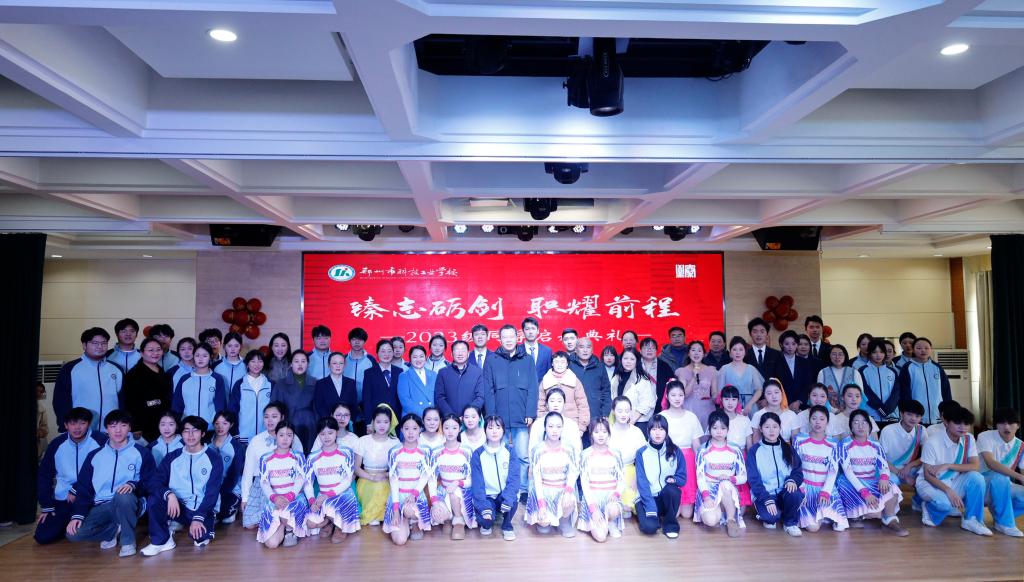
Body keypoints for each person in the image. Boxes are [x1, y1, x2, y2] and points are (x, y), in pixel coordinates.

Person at [65, 410, 154, 557]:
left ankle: (128, 541)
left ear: (129, 428)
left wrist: (134, 485)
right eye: (113, 426)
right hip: (102, 506)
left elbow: (151, 481)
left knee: (123, 496)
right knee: (73, 534)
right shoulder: (94, 456)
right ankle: (112, 531)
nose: (118, 430)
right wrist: (77, 515)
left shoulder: (142, 453)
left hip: (130, 503)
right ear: (106, 429)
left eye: (123, 425)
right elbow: (84, 488)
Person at [140, 415, 224, 556]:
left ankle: (199, 523)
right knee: (154, 499)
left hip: (202, 508)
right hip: (177, 506)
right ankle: (162, 541)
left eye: (195, 430)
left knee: (200, 539)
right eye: (186, 431)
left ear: (203, 433)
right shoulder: (172, 457)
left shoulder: (213, 458)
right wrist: (169, 494)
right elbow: (154, 481)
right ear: (181, 433)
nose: (190, 435)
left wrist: (199, 516)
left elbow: (212, 492)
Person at [481, 324, 538, 501]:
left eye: (511, 336)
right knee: (500, 455)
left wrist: (530, 413)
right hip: (499, 419)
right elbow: (488, 389)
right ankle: (502, 490)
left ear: (517, 337)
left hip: (521, 416)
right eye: (504, 337)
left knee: (522, 456)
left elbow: (533, 388)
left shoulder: (527, 359)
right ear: (499, 339)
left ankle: (523, 489)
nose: (508, 340)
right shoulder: (492, 360)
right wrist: (491, 417)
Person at [916, 405, 992, 536]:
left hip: (954, 480)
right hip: (930, 483)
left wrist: (948, 465)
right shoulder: (932, 442)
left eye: (966, 424)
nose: (962, 427)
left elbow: (975, 466)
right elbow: (928, 476)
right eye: (957, 423)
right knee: (944, 505)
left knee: (977, 477)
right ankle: (928, 507)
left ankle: (971, 520)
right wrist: (948, 490)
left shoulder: (968, 438)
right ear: (946, 422)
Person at [34, 407, 105, 545]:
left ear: (89, 424)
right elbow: (44, 475)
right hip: (64, 499)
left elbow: (103, 471)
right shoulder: (57, 444)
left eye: (82, 423)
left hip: (91, 499)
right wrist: (47, 505)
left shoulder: (100, 441)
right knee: (42, 537)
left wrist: (77, 488)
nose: (77, 428)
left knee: (78, 533)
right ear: (66, 425)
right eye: (72, 423)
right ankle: (67, 522)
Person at [835, 410, 909, 536]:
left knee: (892, 487)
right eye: (856, 422)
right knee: (873, 513)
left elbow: (883, 465)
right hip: (850, 482)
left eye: (864, 422)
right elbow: (848, 472)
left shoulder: (875, 444)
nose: (860, 426)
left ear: (869, 426)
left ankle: (890, 519)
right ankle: (856, 516)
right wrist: (865, 493)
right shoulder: (844, 444)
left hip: (870, 480)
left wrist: (884, 478)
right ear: (851, 427)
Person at [240, 402, 304, 529]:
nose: (269, 420)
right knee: (249, 524)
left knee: (279, 514)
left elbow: (301, 468)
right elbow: (247, 471)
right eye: (266, 416)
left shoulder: (293, 437)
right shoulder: (256, 441)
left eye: (274, 416)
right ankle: (278, 520)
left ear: (282, 418)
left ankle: (280, 522)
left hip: (288, 482)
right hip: (263, 484)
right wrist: (245, 498)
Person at [54, 327, 124, 432]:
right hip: (80, 431)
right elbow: (60, 400)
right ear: (84, 345)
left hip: (111, 430)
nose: (100, 346)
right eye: (95, 343)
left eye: (104, 343)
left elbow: (123, 400)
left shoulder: (116, 369)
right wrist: (64, 426)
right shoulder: (70, 368)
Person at [304, 416, 360, 543]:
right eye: (322, 434)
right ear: (318, 435)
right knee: (310, 523)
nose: (326, 437)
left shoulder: (346, 452)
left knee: (330, 506)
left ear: (336, 432)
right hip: (322, 496)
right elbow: (307, 483)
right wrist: (312, 501)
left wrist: (328, 495)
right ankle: (328, 522)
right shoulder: (312, 457)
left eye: (330, 433)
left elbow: (348, 480)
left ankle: (340, 528)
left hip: (343, 494)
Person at [746, 412, 804, 537]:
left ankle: (790, 523)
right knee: (771, 518)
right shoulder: (754, 451)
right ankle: (775, 513)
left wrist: (792, 480)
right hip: (766, 494)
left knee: (794, 492)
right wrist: (766, 499)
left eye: (775, 426)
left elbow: (797, 470)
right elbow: (754, 479)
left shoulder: (788, 448)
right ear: (761, 429)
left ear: (780, 428)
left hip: (785, 493)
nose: (771, 430)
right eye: (767, 427)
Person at [792, 406, 847, 532]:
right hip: (806, 488)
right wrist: (801, 488)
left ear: (827, 422)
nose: (818, 422)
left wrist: (826, 492)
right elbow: (795, 467)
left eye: (822, 419)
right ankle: (822, 515)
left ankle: (824, 514)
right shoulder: (799, 440)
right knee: (813, 528)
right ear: (809, 421)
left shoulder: (834, 444)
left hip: (825, 488)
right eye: (814, 418)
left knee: (840, 527)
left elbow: (833, 471)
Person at [524, 412, 579, 537]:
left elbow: (573, 472)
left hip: (562, 490)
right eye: (551, 426)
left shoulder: (569, 449)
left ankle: (564, 521)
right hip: (544, 491)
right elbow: (536, 479)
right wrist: (541, 505)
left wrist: (568, 492)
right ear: (545, 427)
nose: (554, 430)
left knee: (569, 498)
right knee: (544, 527)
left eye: (558, 427)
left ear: (562, 428)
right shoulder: (537, 450)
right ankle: (545, 519)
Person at [384, 413, 436, 545]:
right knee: (399, 541)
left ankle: (414, 521)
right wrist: (396, 510)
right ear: (401, 430)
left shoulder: (426, 451)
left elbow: (426, 476)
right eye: (406, 428)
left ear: (420, 429)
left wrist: (414, 494)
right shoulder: (393, 452)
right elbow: (393, 481)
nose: (410, 432)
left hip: (416, 496)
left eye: (415, 428)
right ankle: (405, 520)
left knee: (409, 510)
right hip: (398, 496)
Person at [256, 421, 309, 548]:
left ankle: (290, 530)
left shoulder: (299, 457)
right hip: (275, 499)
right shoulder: (265, 458)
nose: (285, 439)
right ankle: (280, 523)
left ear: (293, 437)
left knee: (287, 518)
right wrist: (274, 498)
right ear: (275, 435)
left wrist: (290, 496)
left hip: (294, 498)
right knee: (271, 544)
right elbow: (264, 482)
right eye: (281, 435)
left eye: (289, 435)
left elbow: (300, 479)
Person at [694, 410, 746, 537]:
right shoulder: (703, 450)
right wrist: (706, 497)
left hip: (728, 489)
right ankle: (720, 511)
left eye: (723, 428)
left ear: (728, 429)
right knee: (711, 521)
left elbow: (744, 477)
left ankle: (730, 520)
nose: (719, 432)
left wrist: (730, 478)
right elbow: (700, 477)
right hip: (709, 489)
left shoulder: (735, 449)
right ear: (709, 429)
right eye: (715, 428)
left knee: (725, 484)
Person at [634, 415, 686, 538]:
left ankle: (671, 524)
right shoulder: (641, 453)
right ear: (648, 431)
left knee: (673, 490)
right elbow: (642, 483)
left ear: (666, 432)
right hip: (647, 498)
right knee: (649, 528)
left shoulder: (675, 451)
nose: (658, 433)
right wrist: (651, 508)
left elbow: (682, 478)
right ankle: (653, 516)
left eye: (661, 429)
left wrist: (675, 479)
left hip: (665, 497)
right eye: (654, 429)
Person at [470, 415, 521, 541]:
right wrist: (483, 506)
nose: (494, 431)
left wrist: (508, 498)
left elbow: (514, 478)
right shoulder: (477, 454)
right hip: (487, 497)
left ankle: (507, 525)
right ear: (485, 430)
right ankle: (488, 519)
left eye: (498, 428)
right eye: (490, 428)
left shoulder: (510, 451)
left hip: (503, 495)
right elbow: (477, 484)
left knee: (513, 499)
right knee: (486, 521)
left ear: (503, 430)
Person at [658, 380, 702, 519]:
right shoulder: (662, 417)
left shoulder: (691, 417)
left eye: (680, 395)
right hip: (669, 458)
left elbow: (696, 445)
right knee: (674, 513)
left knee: (687, 514)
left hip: (688, 461)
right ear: (667, 396)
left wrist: (700, 465)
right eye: (673, 395)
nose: (677, 398)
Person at [976, 408, 1024, 537]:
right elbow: (991, 463)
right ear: (996, 425)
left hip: (1003, 486)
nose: (1006, 427)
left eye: (1011, 423)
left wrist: (1021, 477)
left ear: (1018, 425)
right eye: (1002, 423)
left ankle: (1000, 518)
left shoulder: (1020, 446)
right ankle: (1006, 524)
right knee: (1000, 476)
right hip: (981, 486)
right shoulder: (985, 436)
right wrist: (1019, 476)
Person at [577, 417, 626, 542]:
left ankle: (611, 522)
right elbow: (584, 484)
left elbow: (622, 478)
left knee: (613, 509)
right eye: (597, 432)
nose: (600, 435)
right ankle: (599, 522)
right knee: (601, 537)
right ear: (591, 434)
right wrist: (593, 508)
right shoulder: (585, 455)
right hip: (593, 499)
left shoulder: (616, 454)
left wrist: (616, 493)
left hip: (610, 498)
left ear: (609, 434)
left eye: (604, 432)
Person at [430, 413, 476, 540]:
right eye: (446, 428)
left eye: (454, 428)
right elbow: (432, 479)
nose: (450, 432)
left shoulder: (467, 451)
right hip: (443, 490)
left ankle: (459, 520)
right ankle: (448, 518)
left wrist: (457, 483)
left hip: (462, 491)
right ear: (442, 429)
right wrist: (434, 501)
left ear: (460, 428)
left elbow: (472, 479)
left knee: (454, 493)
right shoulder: (436, 452)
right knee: (439, 513)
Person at [354, 405, 399, 526]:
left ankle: (382, 515)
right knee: (375, 488)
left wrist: (384, 475)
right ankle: (374, 516)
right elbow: (356, 468)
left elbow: (398, 469)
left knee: (384, 488)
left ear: (390, 423)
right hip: (366, 479)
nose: (382, 425)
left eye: (386, 422)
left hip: (387, 478)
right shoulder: (363, 440)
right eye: (378, 422)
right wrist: (372, 477)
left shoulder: (395, 443)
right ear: (373, 422)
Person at [122, 337, 172, 443]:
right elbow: (130, 403)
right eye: (151, 350)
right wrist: (135, 427)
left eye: (158, 350)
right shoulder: (134, 374)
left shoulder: (161, 371)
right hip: (144, 426)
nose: (155, 353)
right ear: (141, 353)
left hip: (162, 422)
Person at [896, 337, 953, 426]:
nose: (923, 350)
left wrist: (947, 410)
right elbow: (904, 393)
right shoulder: (907, 367)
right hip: (916, 417)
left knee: (935, 435)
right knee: (919, 435)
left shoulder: (937, 367)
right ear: (913, 350)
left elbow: (946, 390)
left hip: (937, 415)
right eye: (919, 348)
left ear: (931, 349)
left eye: (926, 348)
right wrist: (907, 412)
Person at [271, 351, 317, 454]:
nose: (300, 364)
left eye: (303, 361)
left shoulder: (315, 382)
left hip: (310, 424)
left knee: (310, 453)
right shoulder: (281, 384)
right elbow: (274, 408)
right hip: (289, 423)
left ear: (308, 364)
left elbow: (318, 408)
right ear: (291, 364)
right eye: (296, 361)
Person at [879, 399, 928, 493]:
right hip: (890, 468)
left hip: (910, 468)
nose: (913, 418)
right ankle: (891, 501)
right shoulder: (888, 430)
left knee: (928, 475)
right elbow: (881, 459)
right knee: (891, 482)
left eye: (917, 416)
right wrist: (901, 474)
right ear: (901, 414)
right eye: (909, 414)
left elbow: (927, 456)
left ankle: (918, 499)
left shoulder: (921, 430)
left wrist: (910, 466)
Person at [171, 342, 227, 425]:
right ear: (193, 356)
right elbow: (177, 405)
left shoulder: (217, 379)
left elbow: (220, 406)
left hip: (210, 427)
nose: (200, 359)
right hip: (188, 427)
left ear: (211, 357)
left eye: (205, 356)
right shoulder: (184, 379)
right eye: (197, 355)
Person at [608, 396, 645, 516]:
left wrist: (637, 478)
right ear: (613, 411)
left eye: (627, 411)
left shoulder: (636, 432)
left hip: (631, 472)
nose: (623, 414)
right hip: (610, 473)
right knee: (616, 508)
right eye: (620, 411)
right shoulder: (607, 431)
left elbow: (644, 458)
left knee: (631, 508)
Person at [538, 351, 590, 432]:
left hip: (572, 423)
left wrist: (581, 428)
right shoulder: (545, 381)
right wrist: (541, 424)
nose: (559, 365)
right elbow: (540, 405)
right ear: (552, 364)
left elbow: (583, 405)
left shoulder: (574, 380)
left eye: (562, 362)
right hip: (551, 424)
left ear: (567, 364)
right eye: (556, 362)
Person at [570, 338, 611, 439]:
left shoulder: (600, 366)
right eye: (581, 347)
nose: (585, 350)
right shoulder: (569, 365)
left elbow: (606, 391)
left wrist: (605, 412)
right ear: (576, 349)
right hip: (574, 415)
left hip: (595, 414)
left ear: (592, 350)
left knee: (594, 445)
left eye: (588, 347)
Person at [210, 411, 246, 524]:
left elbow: (235, 474)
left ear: (231, 425)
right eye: (217, 423)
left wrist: (221, 491)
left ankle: (233, 509)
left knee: (225, 516)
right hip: (210, 487)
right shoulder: (206, 443)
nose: (220, 427)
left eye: (224, 423)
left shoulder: (236, 446)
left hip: (230, 487)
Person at [230, 349, 273, 443]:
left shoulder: (271, 384)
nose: (256, 365)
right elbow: (233, 411)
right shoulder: (239, 384)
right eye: (253, 361)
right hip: (244, 436)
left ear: (263, 364)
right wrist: (235, 433)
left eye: (260, 361)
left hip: (266, 435)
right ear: (247, 364)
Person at [435, 340, 486, 418]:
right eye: (457, 350)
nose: (460, 353)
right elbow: (439, 397)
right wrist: (451, 416)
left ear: (468, 354)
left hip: (470, 419)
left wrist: (468, 415)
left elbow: (480, 397)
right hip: (449, 420)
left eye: (463, 350)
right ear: (452, 354)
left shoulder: (477, 372)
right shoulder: (443, 372)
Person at [361, 339, 403, 429]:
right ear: (377, 353)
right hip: (377, 419)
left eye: (389, 351)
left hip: (396, 419)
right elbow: (367, 399)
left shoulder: (399, 371)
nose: (386, 354)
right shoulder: (369, 373)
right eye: (383, 351)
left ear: (393, 353)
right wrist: (368, 422)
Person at [676, 340, 718, 430]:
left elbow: (714, 392)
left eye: (699, 350)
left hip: (707, 409)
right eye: (693, 350)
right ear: (688, 353)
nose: (696, 353)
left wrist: (715, 398)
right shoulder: (682, 371)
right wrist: (694, 377)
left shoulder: (711, 370)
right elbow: (682, 395)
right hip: (689, 409)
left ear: (704, 354)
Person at [717, 337, 764, 416]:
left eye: (741, 349)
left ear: (745, 352)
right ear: (730, 352)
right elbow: (720, 392)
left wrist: (750, 404)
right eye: (734, 349)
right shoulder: (724, 369)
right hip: (731, 407)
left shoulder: (751, 369)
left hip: (750, 407)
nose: (738, 352)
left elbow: (759, 390)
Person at [857, 338, 901, 423]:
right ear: (869, 353)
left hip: (891, 416)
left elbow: (896, 393)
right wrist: (880, 409)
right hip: (871, 416)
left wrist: (887, 409)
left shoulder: (892, 371)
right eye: (874, 352)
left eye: (881, 352)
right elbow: (865, 392)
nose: (878, 355)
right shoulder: (862, 370)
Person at [529, 388, 583, 454]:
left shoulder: (572, 425)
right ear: (546, 404)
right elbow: (532, 449)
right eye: (552, 401)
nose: (555, 404)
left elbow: (577, 450)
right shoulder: (538, 424)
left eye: (559, 401)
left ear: (564, 404)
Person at [771, 330, 814, 410]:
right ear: (781, 344)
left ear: (797, 344)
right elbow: (773, 383)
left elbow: (807, 384)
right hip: (781, 404)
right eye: (787, 344)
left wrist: (799, 401)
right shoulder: (775, 362)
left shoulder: (804, 362)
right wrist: (784, 402)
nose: (790, 347)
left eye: (793, 344)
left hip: (800, 405)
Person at [617, 348, 656, 434]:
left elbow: (646, 403)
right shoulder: (617, 377)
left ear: (637, 361)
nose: (628, 361)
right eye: (625, 358)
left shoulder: (642, 380)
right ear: (621, 359)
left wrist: (631, 422)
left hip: (638, 423)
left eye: (632, 359)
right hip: (619, 423)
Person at [397, 345, 438, 418]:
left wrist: (434, 415)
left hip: (432, 418)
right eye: (415, 357)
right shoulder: (404, 376)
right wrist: (425, 416)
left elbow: (438, 397)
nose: (418, 360)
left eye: (421, 356)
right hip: (412, 417)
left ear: (425, 358)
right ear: (410, 359)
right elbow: (405, 401)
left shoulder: (434, 374)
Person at [313, 351, 356, 421]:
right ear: (329, 365)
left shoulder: (351, 383)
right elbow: (319, 405)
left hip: (347, 422)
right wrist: (330, 420)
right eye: (334, 363)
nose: (338, 366)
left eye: (341, 363)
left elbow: (354, 405)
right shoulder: (320, 384)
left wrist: (348, 419)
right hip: (328, 422)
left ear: (345, 365)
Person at [816, 344, 862, 409]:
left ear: (845, 355)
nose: (837, 357)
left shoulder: (854, 372)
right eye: (834, 354)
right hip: (829, 411)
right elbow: (819, 393)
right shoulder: (823, 372)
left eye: (840, 354)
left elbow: (860, 393)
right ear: (829, 356)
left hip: (850, 410)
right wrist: (833, 410)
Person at [639, 337, 675, 413]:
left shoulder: (664, 366)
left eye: (652, 348)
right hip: (638, 407)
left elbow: (672, 385)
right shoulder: (635, 365)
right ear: (640, 351)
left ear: (656, 351)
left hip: (659, 407)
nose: (649, 350)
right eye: (646, 347)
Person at [343, 327, 376, 403]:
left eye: (360, 339)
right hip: (346, 401)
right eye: (354, 339)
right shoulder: (343, 359)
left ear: (364, 341)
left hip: (366, 401)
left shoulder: (371, 360)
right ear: (349, 341)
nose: (357, 342)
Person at [213, 332, 245, 400]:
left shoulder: (247, 365)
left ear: (241, 347)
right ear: (224, 346)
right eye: (229, 346)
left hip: (240, 404)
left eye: (236, 346)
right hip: (220, 404)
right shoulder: (215, 365)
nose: (233, 349)